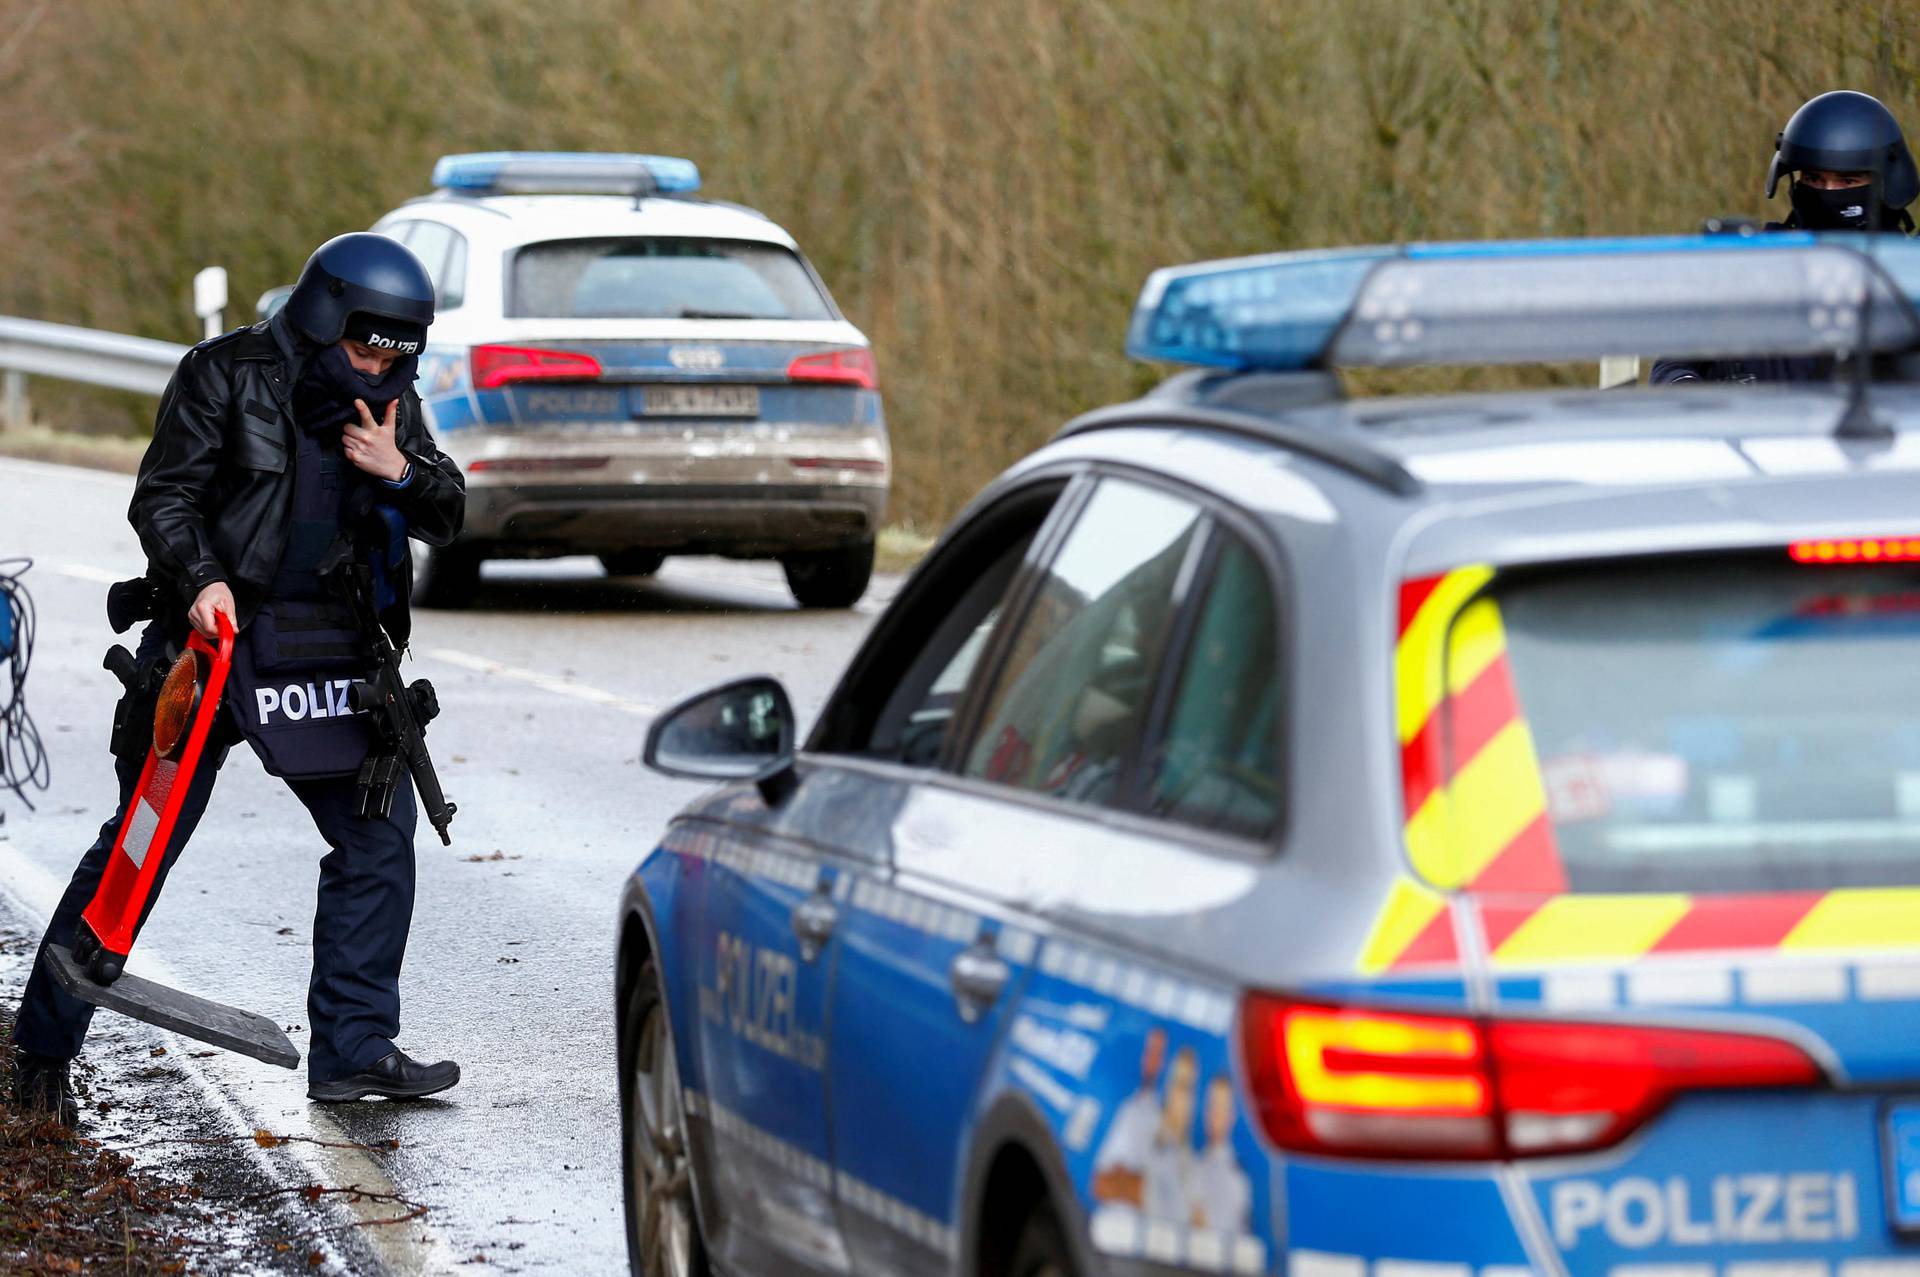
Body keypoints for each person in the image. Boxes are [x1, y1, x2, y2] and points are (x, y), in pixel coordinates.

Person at [9, 234, 466, 1125]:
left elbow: (449, 510)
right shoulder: (226, 373)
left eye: (396, 355)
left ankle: (354, 1049)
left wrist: (398, 470)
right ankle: (41, 1052)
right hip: (212, 641)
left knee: (378, 836)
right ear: (327, 316)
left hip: (333, 647)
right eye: (368, 347)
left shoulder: (391, 406)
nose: (380, 368)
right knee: (141, 846)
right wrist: (202, 578)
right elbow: (162, 496)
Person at [1652, 90, 1918, 386]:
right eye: (1814, 179)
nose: (1827, 191)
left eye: (1848, 181)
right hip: (1755, 427)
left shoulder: (1909, 275)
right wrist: (1694, 398)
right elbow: (1673, 363)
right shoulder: (1750, 261)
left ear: (1885, 182)